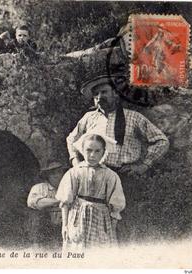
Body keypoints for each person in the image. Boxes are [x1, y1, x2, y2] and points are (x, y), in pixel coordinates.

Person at [66, 74, 169, 242]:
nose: (100, 97)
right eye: (96, 94)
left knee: (126, 221)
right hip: (94, 176)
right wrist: (75, 161)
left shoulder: (133, 117)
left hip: (125, 177)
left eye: (104, 92)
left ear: (116, 93)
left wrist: (144, 165)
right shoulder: (89, 118)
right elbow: (71, 138)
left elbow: (161, 140)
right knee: (93, 219)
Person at [57, 134, 125, 251]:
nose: (92, 155)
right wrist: (65, 225)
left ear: (104, 152)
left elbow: (115, 206)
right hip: (77, 218)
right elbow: (65, 202)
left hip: (100, 220)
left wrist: (112, 230)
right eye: (88, 150)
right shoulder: (74, 172)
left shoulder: (110, 176)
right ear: (82, 150)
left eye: (97, 151)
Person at [26, 161, 67, 249]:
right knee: (37, 216)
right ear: (47, 176)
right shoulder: (39, 187)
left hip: (62, 227)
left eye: (59, 172)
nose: (57, 176)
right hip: (44, 228)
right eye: (53, 173)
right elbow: (33, 202)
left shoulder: (69, 188)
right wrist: (58, 201)